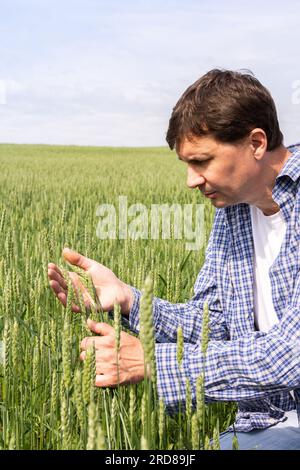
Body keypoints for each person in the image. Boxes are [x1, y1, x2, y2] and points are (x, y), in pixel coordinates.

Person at [48, 69, 300, 450]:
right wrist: (128, 299)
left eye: (202, 161)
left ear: (256, 143)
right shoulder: (233, 212)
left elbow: (291, 354)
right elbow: (211, 325)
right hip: (263, 424)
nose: (191, 180)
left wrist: (151, 361)